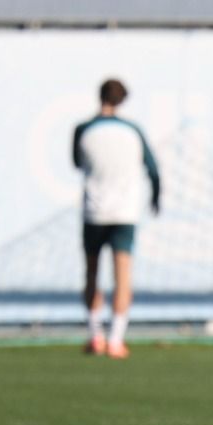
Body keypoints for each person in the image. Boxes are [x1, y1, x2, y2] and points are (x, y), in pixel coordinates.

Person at [73, 78, 160, 359]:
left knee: (92, 273)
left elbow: (76, 162)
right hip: (124, 211)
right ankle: (115, 339)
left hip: (94, 210)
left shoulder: (84, 130)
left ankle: (94, 335)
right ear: (123, 100)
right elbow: (152, 168)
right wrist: (156, 197)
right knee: (122, 275)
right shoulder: (133, 131)